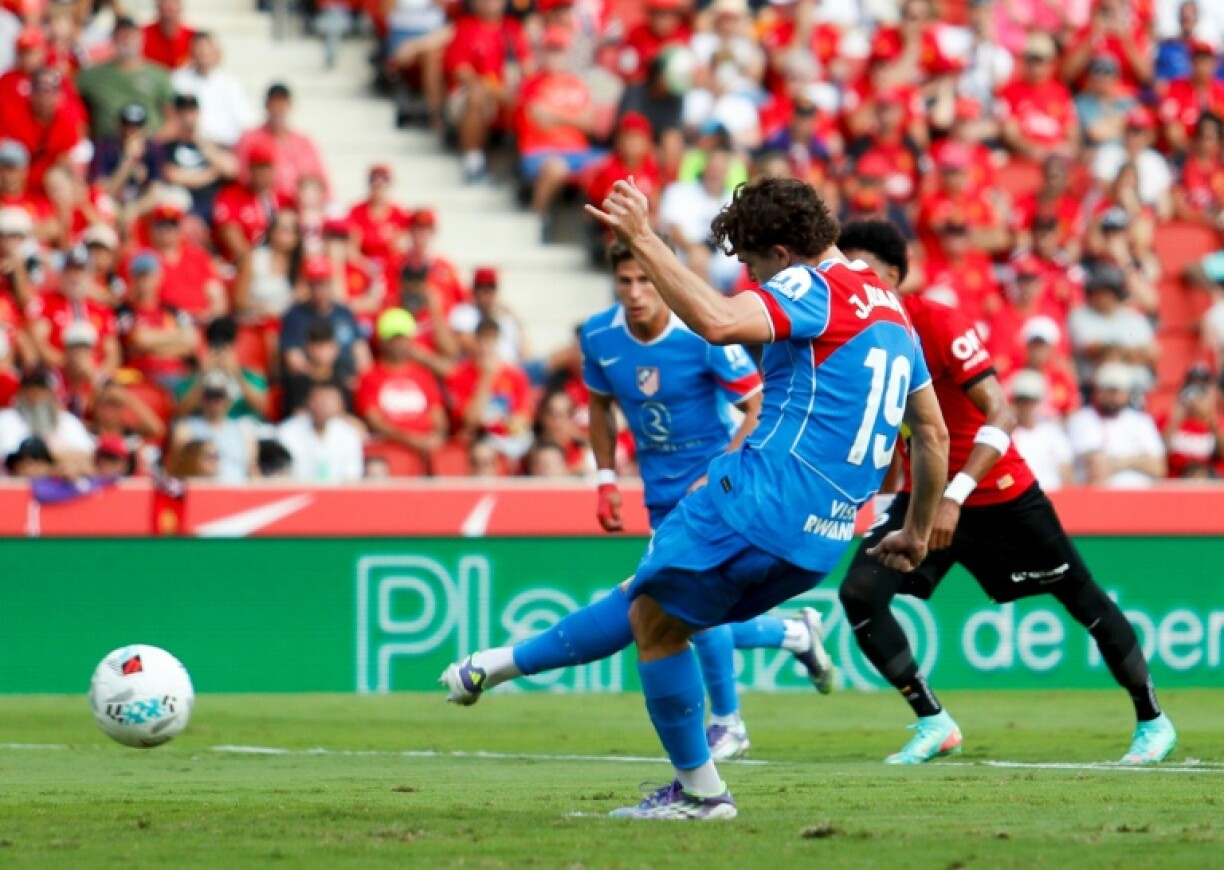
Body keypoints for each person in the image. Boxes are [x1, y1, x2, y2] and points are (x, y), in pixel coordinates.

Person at [470, 177, 948, 819]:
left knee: (651, 614)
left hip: (761, 495)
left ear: (781, 253)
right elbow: (933, 434)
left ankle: (700, 792)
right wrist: (916, 533)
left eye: (751, 265)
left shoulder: (810, 285)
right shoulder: (892, 310)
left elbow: (720, 322)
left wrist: (642, 237)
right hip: (824, 536)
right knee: (661, 612)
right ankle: (499, 669)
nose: (753, 278)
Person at [443, 241, 836, 760]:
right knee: (678, 612)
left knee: (675, 605)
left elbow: (756, 407)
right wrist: (605, 477)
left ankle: (728, 722)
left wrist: (719, 472)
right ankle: (793, 635)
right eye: (625, 281)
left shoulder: (701, 335)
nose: (635, 292)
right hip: (658, 491)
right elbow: (602, 410)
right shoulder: (601, 336)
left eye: (646, 280)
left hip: (717, 492)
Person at [836, 219, 1175, 766]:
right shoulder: (852, 337)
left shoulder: (938, 323)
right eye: (841, 269)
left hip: (997, 494)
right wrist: (886, 505)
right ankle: (933, 722)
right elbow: (894, 431)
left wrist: (956, 493)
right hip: (926, 499)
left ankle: (1153, 721)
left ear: (893, 276)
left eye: (862, 269)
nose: (849, 279)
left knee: (1083, 601)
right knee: (859, 594)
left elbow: (1004, 411)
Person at [355, 308, 447, 463]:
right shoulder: (370, 376)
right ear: (382, 341)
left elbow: (438, 416)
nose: (398, 344)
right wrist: (412, 441)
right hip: (388, 449)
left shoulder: (423, 375)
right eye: (393, 338)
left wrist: (436, 437)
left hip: (426, 449)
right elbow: (375, 421)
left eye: (402, 338)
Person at [1067, 362, 1167, 488]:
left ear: (1127, 393)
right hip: (1103, 497)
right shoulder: (1083, 419)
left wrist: (1116, 463)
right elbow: (1096, 467)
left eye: (1116, 391)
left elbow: (1158, 467)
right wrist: (1139, 460)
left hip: (1141, 496)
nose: (1111, 397)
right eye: (1107, 390)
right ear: (1098, 391)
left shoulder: (1141, 421)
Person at [77, 17, 175, 141]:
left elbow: (173, 120)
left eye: (132, 36)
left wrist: (152, 144)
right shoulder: (92, 75)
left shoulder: (158, 74)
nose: (128, 41)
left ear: (141, 38)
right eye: (123, 36)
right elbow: (73, 111)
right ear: (113, 39)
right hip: (106, 150)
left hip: (149, 148)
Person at [235, 83, 331, 202]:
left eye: (282, 103)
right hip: (261, 204)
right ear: (266, 105)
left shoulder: (304, 141)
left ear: (290, 105)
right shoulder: (250, 138)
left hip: (299, 207)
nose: (278, 109)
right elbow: (242, 176)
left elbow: (322, 180)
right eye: (274, 103)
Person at [170, 369, 259, 482]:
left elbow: (252, 470)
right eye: (209, 395)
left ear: (229, 399)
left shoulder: (244, 428)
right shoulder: (185, 429)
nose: (214, 401)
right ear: (201, 398)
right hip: (203, 491)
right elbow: (180, 470)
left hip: (238, 491)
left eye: (219, 395)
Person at [170, 31, 256, 148]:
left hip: (225, 147)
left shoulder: (230, 83)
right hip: (188, 144)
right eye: (199, 48)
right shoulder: (179, 80)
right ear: (191, 52)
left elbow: (246, 122)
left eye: (207, 48)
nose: (203, 52)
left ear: (215, 51)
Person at [277, 380, 364, 482]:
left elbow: (353, 476)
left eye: (328, 401)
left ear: (340, 405)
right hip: (299, 491)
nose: (323, 406)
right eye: (319, 400)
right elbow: (282, 476)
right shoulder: (287, 432)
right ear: (308, 402)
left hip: (338, 494)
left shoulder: (348, 434)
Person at [1008, 369, 1075, 492]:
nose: (1027, 406)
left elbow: (1066, 471)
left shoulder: (1052, 433)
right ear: (1015, 402)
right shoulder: (1007, 436)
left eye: (1031, 401)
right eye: (1022, 401)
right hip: (1021, 499)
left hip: (1052, 497)